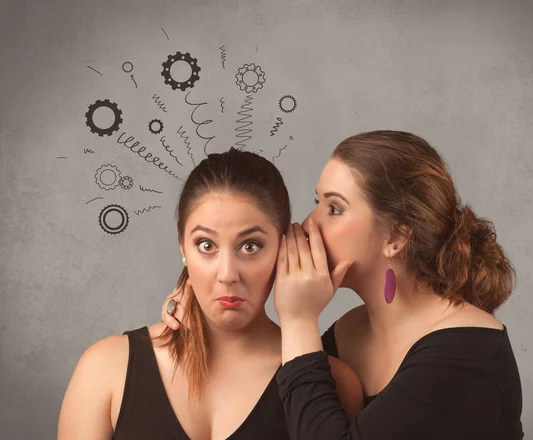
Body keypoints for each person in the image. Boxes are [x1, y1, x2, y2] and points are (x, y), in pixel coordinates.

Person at [164, 131, 524, 439]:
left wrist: (299, 321)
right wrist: (199, 291)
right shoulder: (350, 332)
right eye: (316, 203)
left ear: (395, 237)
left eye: (334, 209)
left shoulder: (465, 356)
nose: (309, 224)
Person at [58, 148, 363, 440]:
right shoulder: (107, 368)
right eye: (206, 245)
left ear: (284, 247)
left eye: (250, 246)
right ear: (182, 246)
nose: (227, 274)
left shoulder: (335, 385)